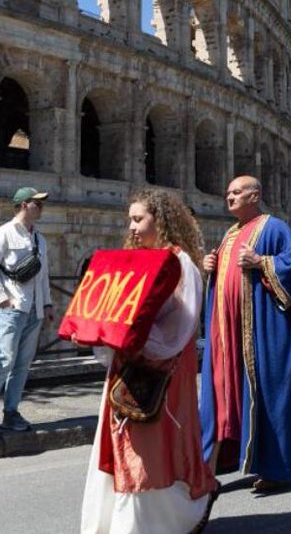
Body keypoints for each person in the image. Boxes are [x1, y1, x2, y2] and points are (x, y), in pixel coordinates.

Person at [80, 189, 217, 534]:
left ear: (162, 220)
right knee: (120, 444)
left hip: (163, 369)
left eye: (139, 219)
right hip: (126, 363)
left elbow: (179, 329)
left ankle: (169, 518)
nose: (132, 226)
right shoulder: (134, 260)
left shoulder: (181, 263)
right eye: (130, 219)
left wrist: (135, 339)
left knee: (146, 448)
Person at [200, 176, 291, 494]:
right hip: (229, 335)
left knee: (268, 395)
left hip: (262, 332)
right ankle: (222, 461)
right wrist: (209, 265)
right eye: (228, 193)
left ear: (256, 195)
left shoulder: (274, 228)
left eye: (237, 192)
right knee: (225, 395)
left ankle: (277, 468)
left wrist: (261, 262)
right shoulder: (230, 233)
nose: (229, 197)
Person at [0, 186, 54, 438]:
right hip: (12, 309)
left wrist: (47, 304)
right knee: (2, 363)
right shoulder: (0, 235)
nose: (42, 206)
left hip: (34, 310)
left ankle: (11, 413)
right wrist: (4, 300)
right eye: (38, 203)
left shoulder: (40, 238)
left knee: (23, 365)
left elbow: (43, 275)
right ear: (24, 204)